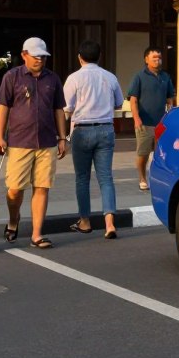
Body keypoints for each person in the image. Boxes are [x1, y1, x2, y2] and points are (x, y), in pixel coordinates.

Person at [0, 37, 67, 249]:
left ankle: (37, 233)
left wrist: (62, 138)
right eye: (35, 56)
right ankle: (14, 220)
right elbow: (3, 108)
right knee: (15, 189)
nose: (40, 60)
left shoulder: (52, 79)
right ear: (24, 54)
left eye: (43, 57)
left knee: (42, 187)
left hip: (47, 142)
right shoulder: (12, 77)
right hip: (18, 142)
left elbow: (58, 109)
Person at [63, 40, 125, 240]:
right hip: (106, 129)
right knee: (105, 177)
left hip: (82, 130)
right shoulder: (110, 77)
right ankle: (109, 224)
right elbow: (118, 103)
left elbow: (66, 107)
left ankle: (85, 221)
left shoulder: (74, 78)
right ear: (99, 57)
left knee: (82, 178)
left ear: (79, 57)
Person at [127, 46, 175, 191]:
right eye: (154, 58)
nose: (157, 60)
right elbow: (133, 100)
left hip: (161, 123)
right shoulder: (139, 76)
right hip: (144, 123)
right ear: (146, 59)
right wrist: (136, 119)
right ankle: (142, 178)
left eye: (159, 58)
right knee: (143, 153)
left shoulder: (165, 77)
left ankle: (158, 179)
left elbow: (170, 99)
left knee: (161, 153)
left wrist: (170, 116)